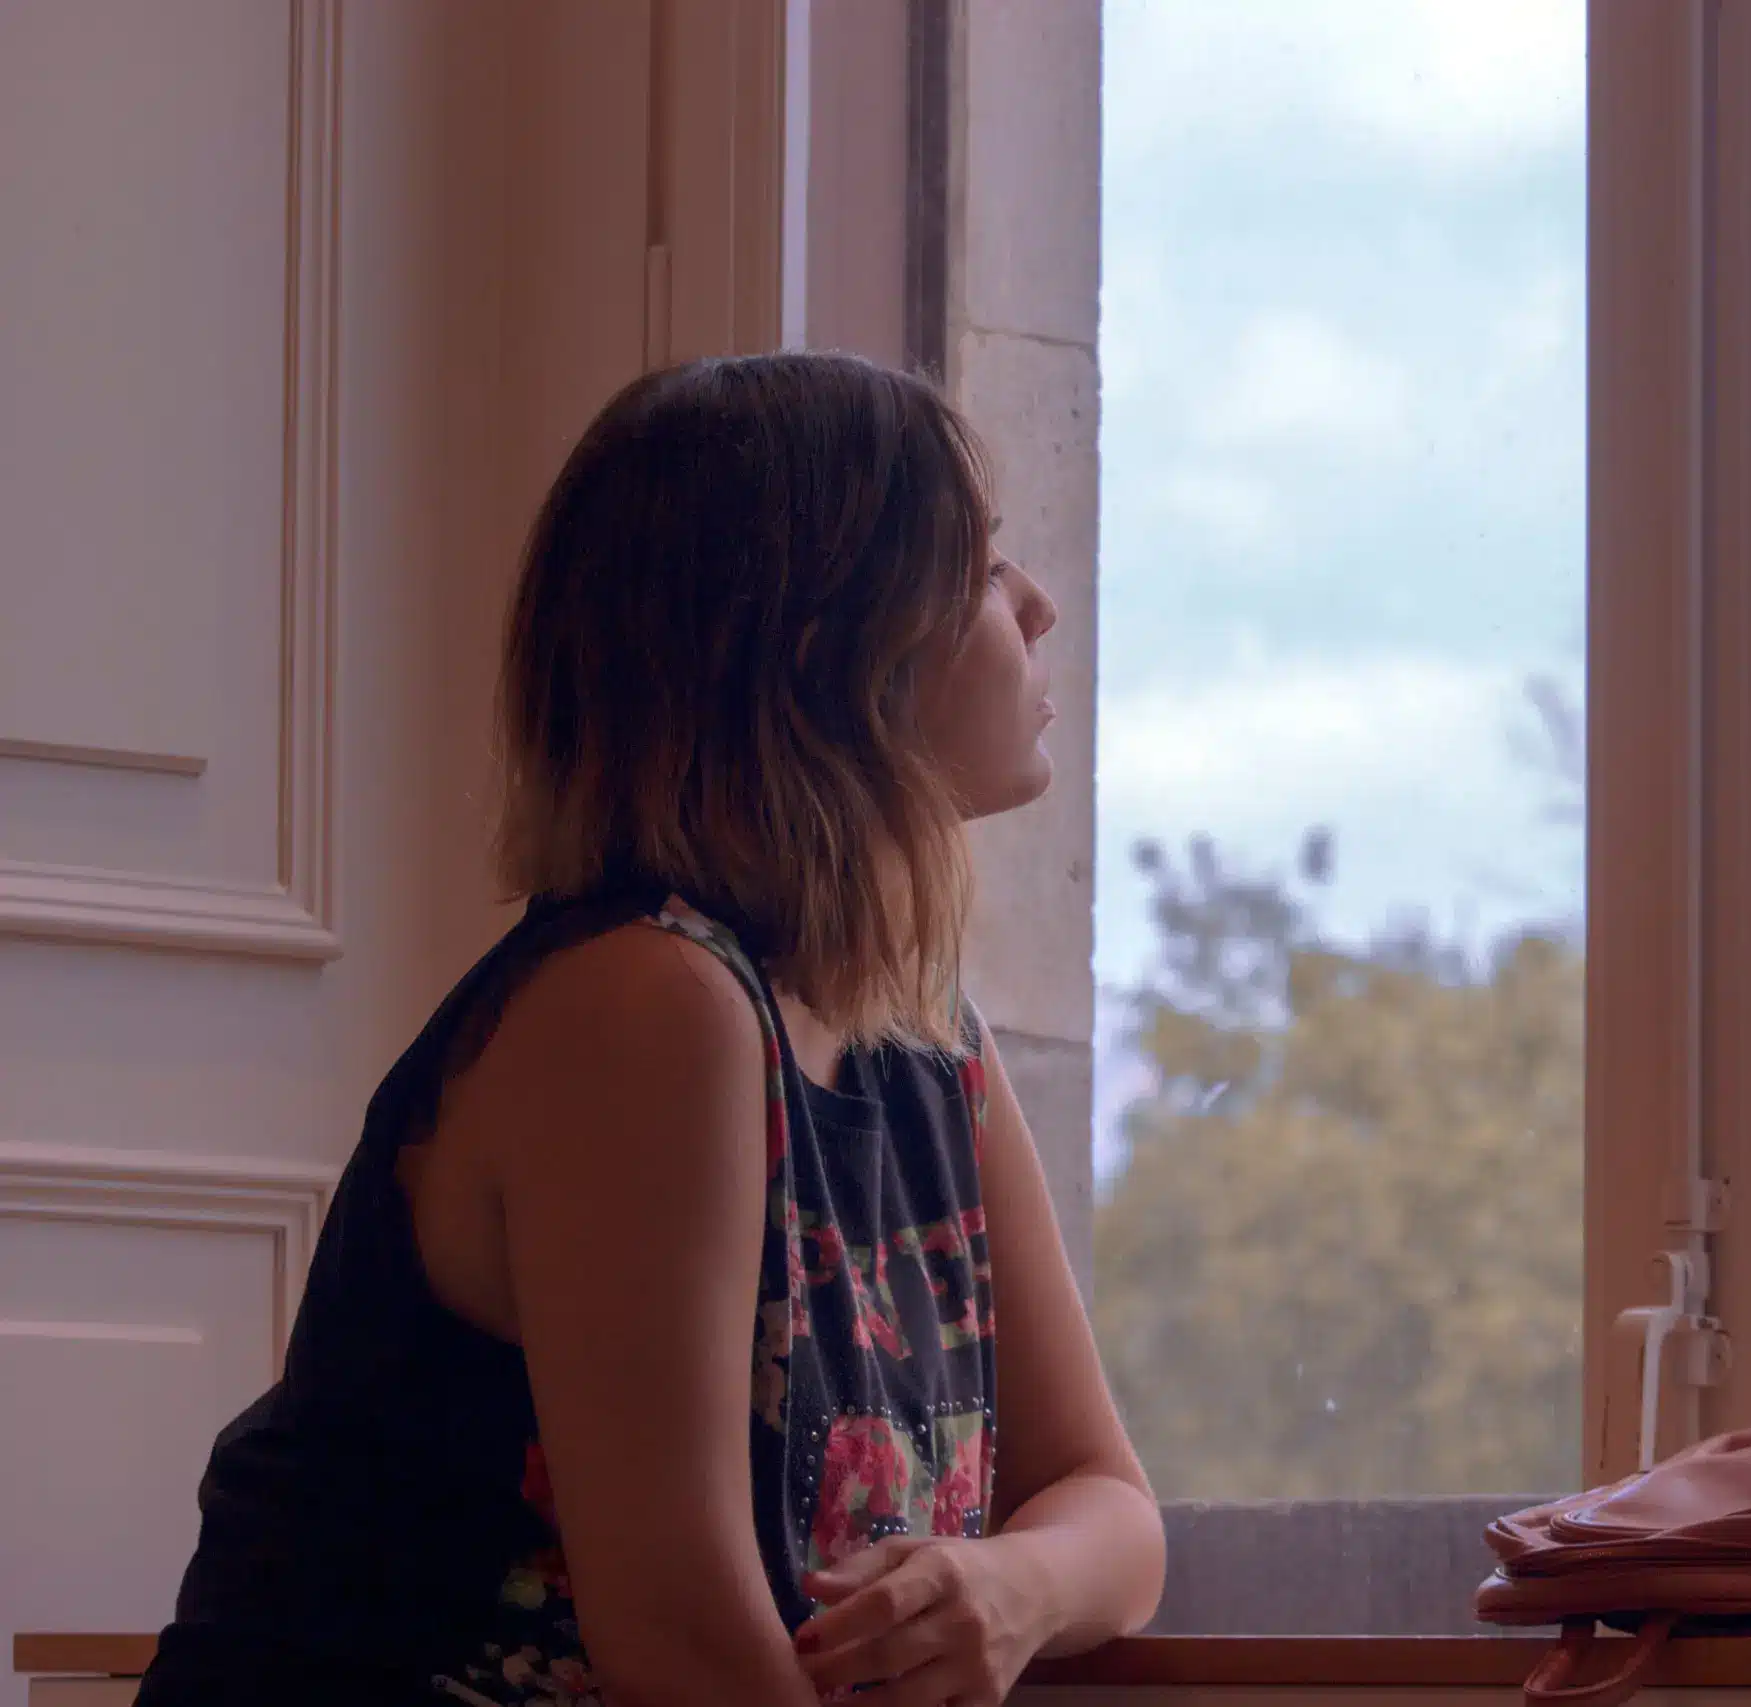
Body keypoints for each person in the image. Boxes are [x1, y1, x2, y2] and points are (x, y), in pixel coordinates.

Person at [134, 354, 1165, 1706]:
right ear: (827, 645)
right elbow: (681, 1642)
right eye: (979, 566)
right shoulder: (646, 1007)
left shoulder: (928, 1038)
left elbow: (1111, 1508)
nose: (1033, 606)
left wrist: (1009, 1584)